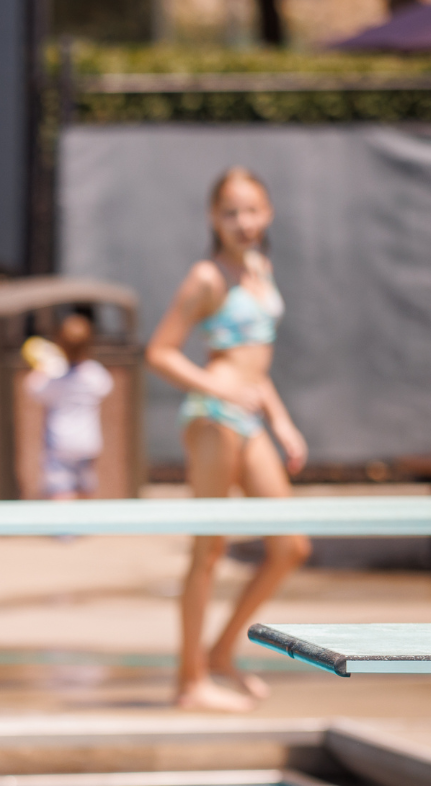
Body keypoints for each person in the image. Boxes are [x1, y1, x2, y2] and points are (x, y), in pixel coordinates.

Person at [146, 166, 309, 713]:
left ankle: (220, 652)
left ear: (269, 214)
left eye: (252, 210)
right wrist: (214, 384)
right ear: (213, 219)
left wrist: (280, 420)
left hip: (251, 415)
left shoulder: (258, 268)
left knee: (290, 546)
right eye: (230, 212)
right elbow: (161, 351)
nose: (242, 222)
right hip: (214, 417)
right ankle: (189, 682)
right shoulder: (207, 278)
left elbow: (255, 360)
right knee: (208, 550)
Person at [26, 313, 112, 501]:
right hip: (87, 441)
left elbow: (32, 388)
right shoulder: (95, 373)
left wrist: (42, 365)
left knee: (61, 490)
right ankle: (82, 526)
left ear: (59, 345)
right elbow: (106, 387)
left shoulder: (53, 375)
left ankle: (65, 530)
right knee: (85, 488)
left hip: (60, 442)